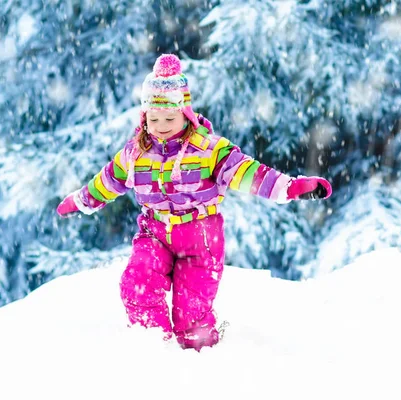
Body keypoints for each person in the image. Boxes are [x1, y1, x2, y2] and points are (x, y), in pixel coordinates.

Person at [56, 54, 331, 351]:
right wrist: (81, 201)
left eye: (169, 118)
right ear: (144, 117)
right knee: (137, 284)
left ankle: (200, 365)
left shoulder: (209, 150)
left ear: (185, 113)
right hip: (155, 233)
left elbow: (250, 173)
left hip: (200, 238)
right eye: (154, 118)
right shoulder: (135, 153)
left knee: (192, 315)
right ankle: (153, 349)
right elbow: (107, 181)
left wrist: (291, 188)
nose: (161, 125)